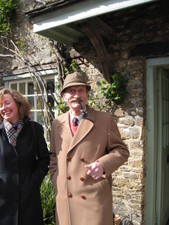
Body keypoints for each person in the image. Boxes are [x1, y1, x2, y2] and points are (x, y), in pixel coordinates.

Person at [49, 72, 129, 225]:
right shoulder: (57, 123)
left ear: (86, 94)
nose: (76, 95)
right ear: (64, 96)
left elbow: (121, 151)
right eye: (71, 91)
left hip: (93, 199)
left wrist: (103, 165)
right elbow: (54, 155)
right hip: (65, 199)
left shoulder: (104, 119)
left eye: (81, 90)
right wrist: (56, 179)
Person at [0, 88, 49, 225]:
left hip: (29, 202)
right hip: (3, 205)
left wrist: (33, 181)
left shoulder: (34, 129)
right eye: (0, 105)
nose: (4, 108)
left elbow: (44, 159)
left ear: (18, 103)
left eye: (7, 103)